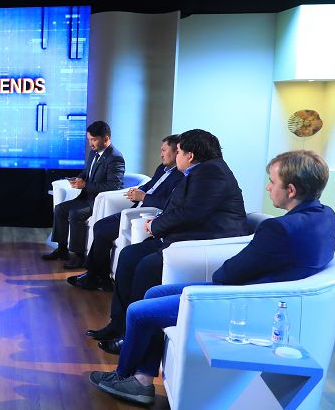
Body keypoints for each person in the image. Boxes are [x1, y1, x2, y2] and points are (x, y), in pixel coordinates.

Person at [90, 150, 335, 405]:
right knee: (153, 293)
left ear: (291, 190)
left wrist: (226, 271)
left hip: (242, 302)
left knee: (138, 312)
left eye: (272, 182)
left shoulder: (278, 229)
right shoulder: (326, 215)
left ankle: (124, 375)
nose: (268, 187)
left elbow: (227, 275)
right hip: (261, 294)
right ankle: (142, 379)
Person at [86, 129, 247, 355]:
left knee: (145, 266)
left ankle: (133, 338)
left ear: (190, 155)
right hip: (183, 237)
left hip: (200, 244)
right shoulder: (202, 171)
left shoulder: (211, 173)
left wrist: (155, 226)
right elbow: (183, 210)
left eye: (178, 151)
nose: (176, 155)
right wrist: (157, 224)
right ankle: (119, 324)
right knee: (129, 256)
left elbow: (190, 214)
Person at [67, 135, 184, 291]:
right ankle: (97, 275)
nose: (161, 154)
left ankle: (97, 278)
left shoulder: (181, 176)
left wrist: (144, 197)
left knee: (103, 231)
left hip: (145, 215)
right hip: (136, 208)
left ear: (176, 152)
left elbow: (168, 203)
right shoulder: (162, 168)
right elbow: (151, 184)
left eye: (164, 150)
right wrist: (138, 190)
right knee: (99, 225)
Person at [44, 120, 125, 267]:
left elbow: (114, 186)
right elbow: (87, 172)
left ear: (106, 138)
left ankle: (79, 256)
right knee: (60, 209)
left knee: (75, 213)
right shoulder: (94, 153)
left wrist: (85, 185)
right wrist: (79, 178)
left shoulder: (115, 158)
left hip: (97, 201)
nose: (90, 144)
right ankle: (62, 250)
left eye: (94, 140)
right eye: (89, 140)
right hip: (86, 197)